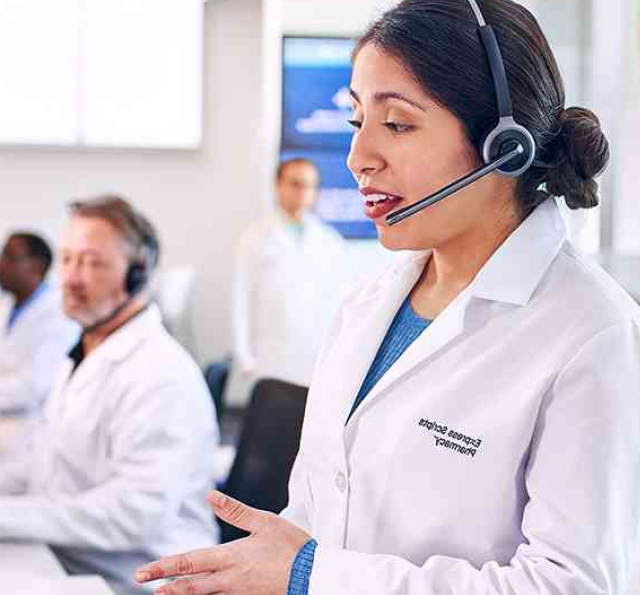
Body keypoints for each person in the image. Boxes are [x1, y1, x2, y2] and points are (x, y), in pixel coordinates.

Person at [135, 1, 640, 595]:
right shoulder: (367, 302)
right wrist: (259, 572)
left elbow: (572, 586)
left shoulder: (592, 334)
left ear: (504, 147)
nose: (357, 159)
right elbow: (320, 521)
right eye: (356, 122)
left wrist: (306, 574)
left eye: (397, 124)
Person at [0, 196, 220, 595]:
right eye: (67, 259)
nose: (70, 278)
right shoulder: (84, 352)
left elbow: (135, 513)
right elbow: (44, 464)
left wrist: (8, 516)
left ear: (137, 274)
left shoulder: (159, 373)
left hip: (139, 579)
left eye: (91, 262)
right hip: (75, 559)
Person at [232, 157, 345, 389]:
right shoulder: (254, 238)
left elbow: (339, 301)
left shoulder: (330, 241)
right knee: (271, 417)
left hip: (315, 355)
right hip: (271, 356)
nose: (303, 192)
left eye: (310, 185)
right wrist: (244, 355)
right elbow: (240, 299)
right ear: (278, 186)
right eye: (296, 184)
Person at [0, 232, 78, 450]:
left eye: (10, 257)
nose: (1, 264)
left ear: (37, 266)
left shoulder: (59, 315)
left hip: (26, 440)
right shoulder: (6, 306)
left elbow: (34, 386)